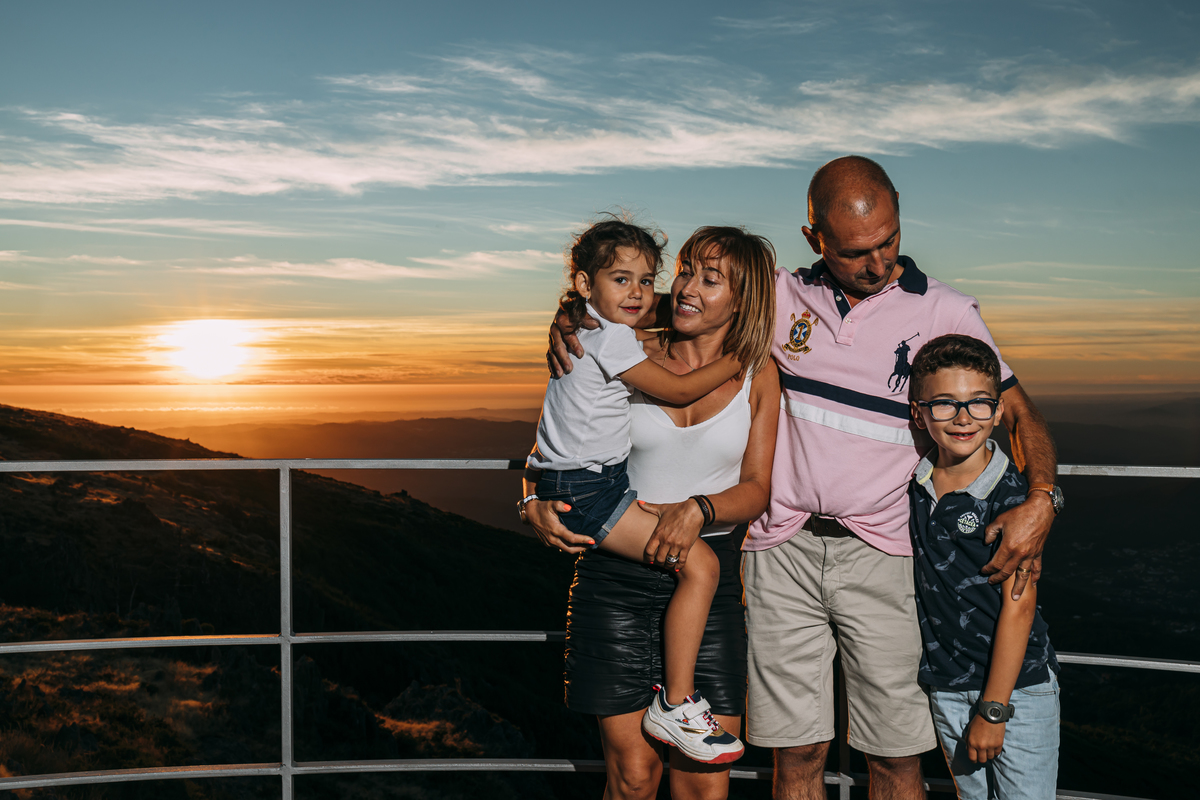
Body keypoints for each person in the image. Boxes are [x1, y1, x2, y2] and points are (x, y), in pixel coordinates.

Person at [549, 156, 1061, 800]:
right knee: (796, 752)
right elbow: (683, 307)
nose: (877, 264)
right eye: (854, 253)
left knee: (896, 757)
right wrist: (579, 318)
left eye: (889, 242)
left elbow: (1017, 410)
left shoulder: (945, 309)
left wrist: (1042, 497)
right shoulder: (783, 293)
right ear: (813, 236)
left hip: (886, 554)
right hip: (777, 552)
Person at [526, 226, 780, 799]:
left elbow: (758, 487)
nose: (686, 287)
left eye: (709, 279)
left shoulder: (759, 373)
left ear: (742, 299)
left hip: (708, 583)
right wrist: (528, 496)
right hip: (616, 580)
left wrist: (700, 508)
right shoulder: (626, 346)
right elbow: (562, 433)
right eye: (685, 270)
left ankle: (680, 704)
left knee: (703, 785)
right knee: (634, 778)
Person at [907, 334, 1061, 799]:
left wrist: (994, 709)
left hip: (1016, 691)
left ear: (997, 413)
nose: (962, 418)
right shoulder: (913, 483)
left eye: (978, 404)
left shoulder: (1011, 499)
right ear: (919, 413)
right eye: (944, 404)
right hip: (947, 688)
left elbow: (1019, 607)